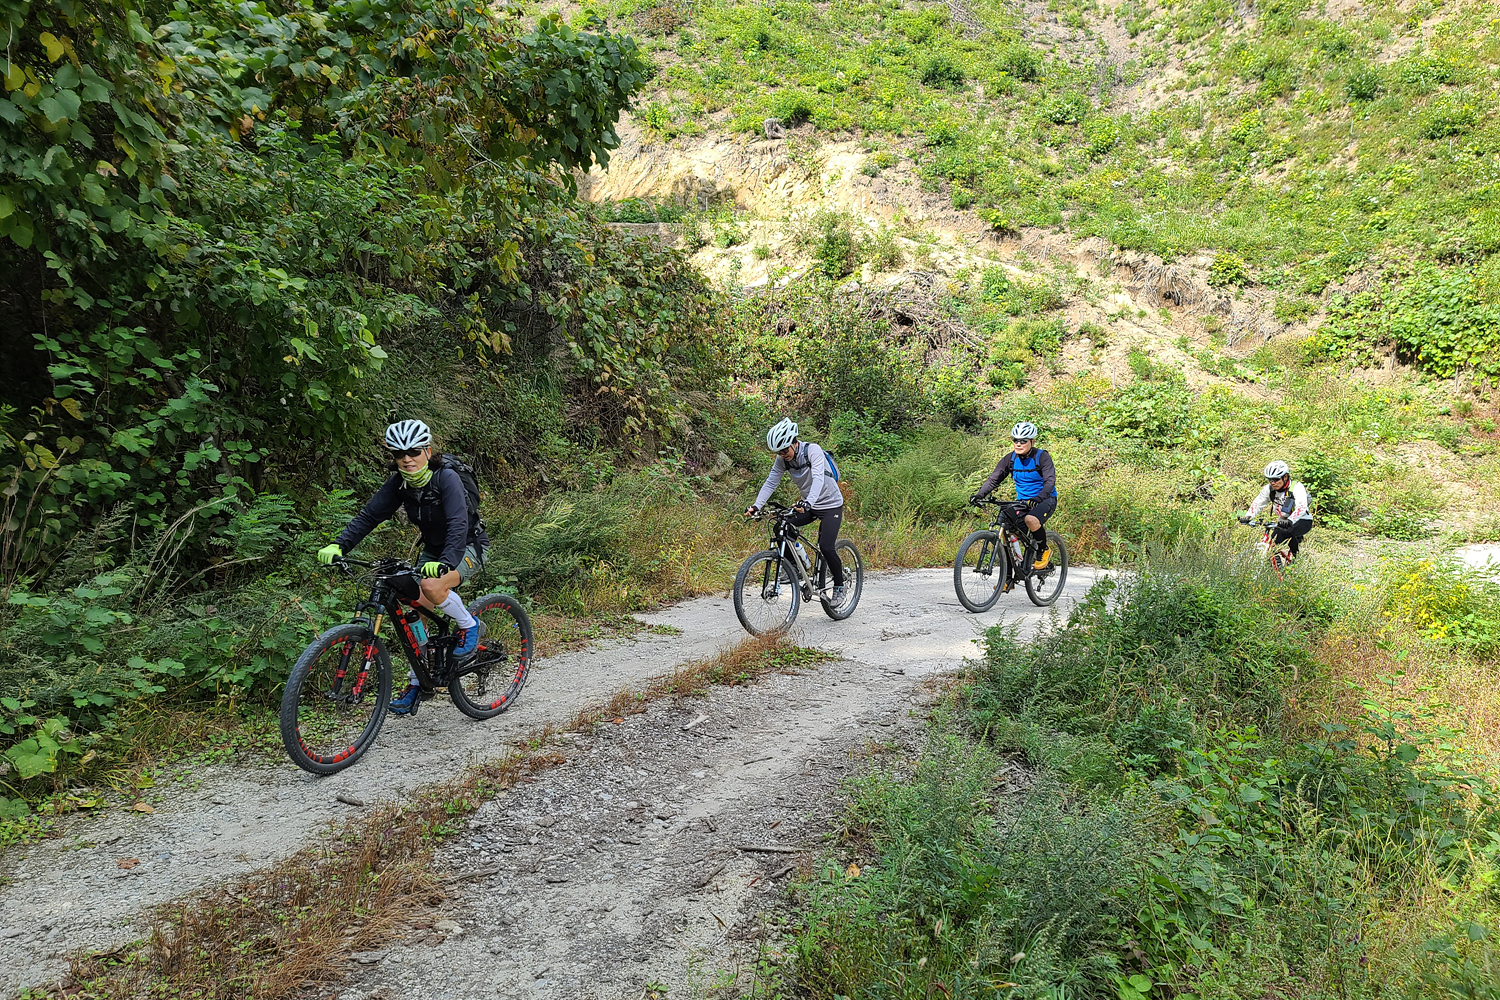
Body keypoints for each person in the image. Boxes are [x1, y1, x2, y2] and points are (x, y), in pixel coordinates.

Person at [316, 419, 490, 715]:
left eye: (413, 451)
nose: (407, 459)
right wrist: (339, 545)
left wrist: (446, 562)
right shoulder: (399, 483)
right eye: (399, 453)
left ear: (427, 451)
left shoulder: (446, 478)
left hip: (467, 546)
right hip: (433, 550)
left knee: (432, 586)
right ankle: (418, 682)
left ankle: (468, 623)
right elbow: (369, 516)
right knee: (415, 611)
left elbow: (459, 524)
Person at [745, 418, 847, 602]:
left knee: (826, 547)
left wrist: (808, 502)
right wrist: (756, 505)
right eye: (779, 452)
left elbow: (818, 479)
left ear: (794, 442)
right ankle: (794, 567)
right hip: (808, 504)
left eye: (785, 450)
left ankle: (840, 585)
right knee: (780, 527)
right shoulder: (783, 460)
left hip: (830, 504)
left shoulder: (813, 451)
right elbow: (771, 482)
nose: (782, 454)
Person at [969, 421, 1057, 570]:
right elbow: (994, 479)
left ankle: (1043, 549)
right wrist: (979, 495)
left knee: (1031, 519)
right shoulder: (1010, 459)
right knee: (1007, 532)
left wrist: (1039, 497)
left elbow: (1050, 481)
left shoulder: (1042, 457)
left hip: (1045, 499)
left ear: (1032, 442)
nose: (1018, 444)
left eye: (1023, 441)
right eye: (1015, 440)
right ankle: (1009, 576)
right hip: (1022, 502)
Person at [1239, 460, 1312, 561]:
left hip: (1302, 520)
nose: (1273, 483)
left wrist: (1290, 520)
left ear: (1285, 477)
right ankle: (1275, 566)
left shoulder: (1297, 487)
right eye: (1270, 480)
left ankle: (1297, 560)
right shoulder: (1269, 489)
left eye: (1276, 479)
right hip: (1283, 521)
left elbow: (1301, 507)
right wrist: (1248, 516)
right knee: (1271, 544)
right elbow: (1258, 503)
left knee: (1286, 531)